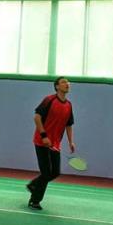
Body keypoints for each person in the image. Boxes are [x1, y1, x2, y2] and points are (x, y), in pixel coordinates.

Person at [26, 77, 75, 210]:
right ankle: (34, 200)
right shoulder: (49, 100)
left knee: (55, 172)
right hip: (41, 141)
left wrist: (71, 141)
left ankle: (33, 185)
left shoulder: (69, 105)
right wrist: (44, 136)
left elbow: (69, 125)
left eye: (68, 82)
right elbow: (37, 117)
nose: (67, 84)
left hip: (55, 144)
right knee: (46, 173)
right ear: (57, 86)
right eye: (63, 82)